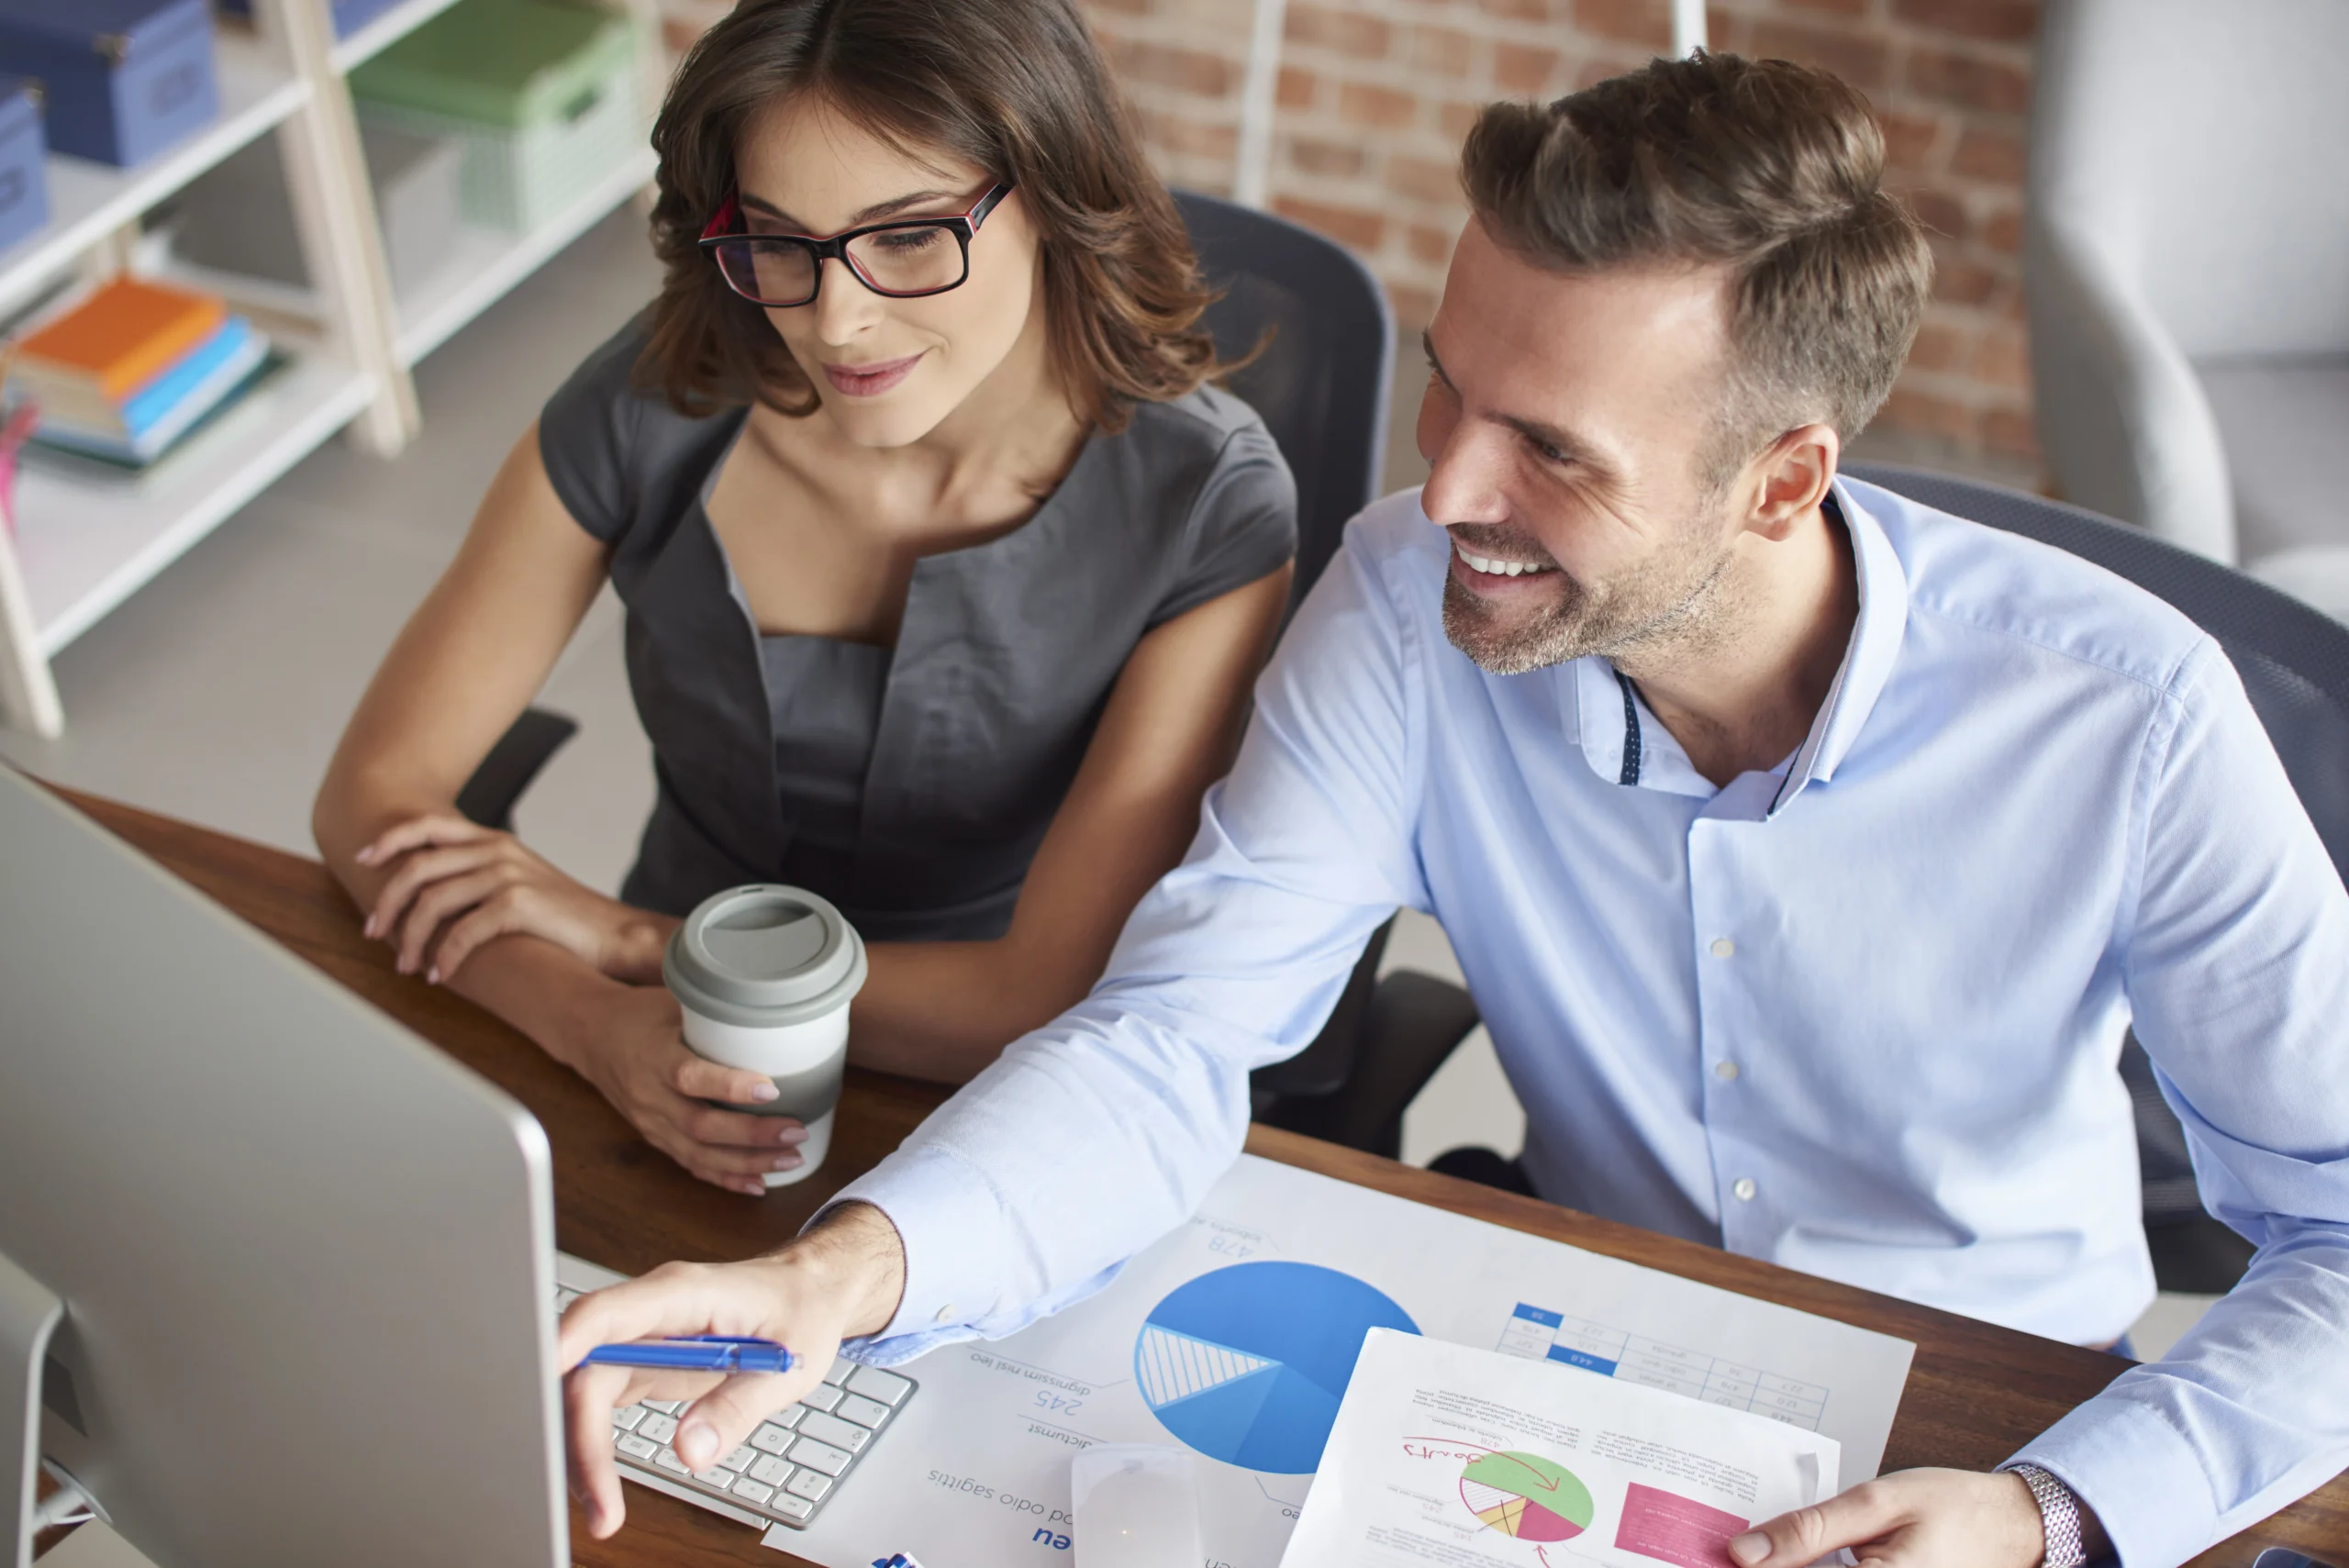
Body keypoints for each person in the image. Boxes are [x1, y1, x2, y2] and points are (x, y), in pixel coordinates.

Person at [552, 52, 2349, 1567]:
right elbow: (1169, 1038)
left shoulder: (2132, 716)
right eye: (1446, 386)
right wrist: (849, 1274)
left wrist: (2048, 1507)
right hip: (1568, 1377)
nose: (1444, 487)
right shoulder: (1404, 599)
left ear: (1780, 479)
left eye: (1549, 450)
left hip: (1985, 1411)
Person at [312, 0, 1297, 1195]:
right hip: (653, 1051)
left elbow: (1035, 995)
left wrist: (638, 948)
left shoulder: (1207, 499)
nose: (836, 320)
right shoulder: (656, 401)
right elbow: (370, 801)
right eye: (779, 241)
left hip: (992, 1090)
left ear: (1051, 193)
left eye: (910, 236)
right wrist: (592, 1022)